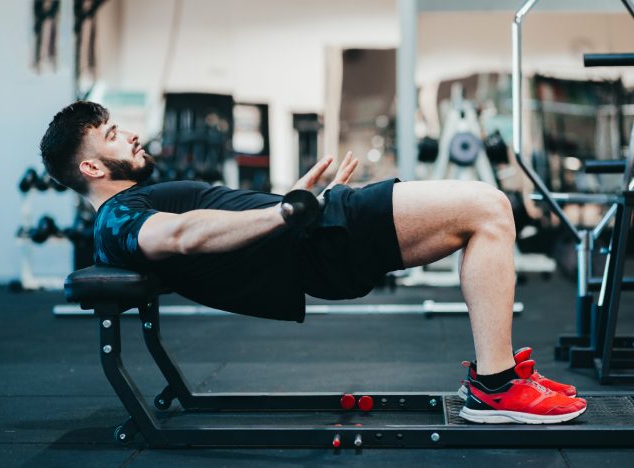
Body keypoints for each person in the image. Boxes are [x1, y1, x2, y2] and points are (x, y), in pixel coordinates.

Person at [40, 101, 586, 424]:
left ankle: (497, 378)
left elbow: (210, 225)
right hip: (318, 236)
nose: (130, 132)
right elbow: (180, 236)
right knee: (488, 206)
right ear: (90, 164)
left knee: (482, 220)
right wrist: (287, 214)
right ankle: (495, 386)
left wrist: (288, 201)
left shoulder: (128, 204)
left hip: (319, 233)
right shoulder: (116, 219)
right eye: (112, 134)